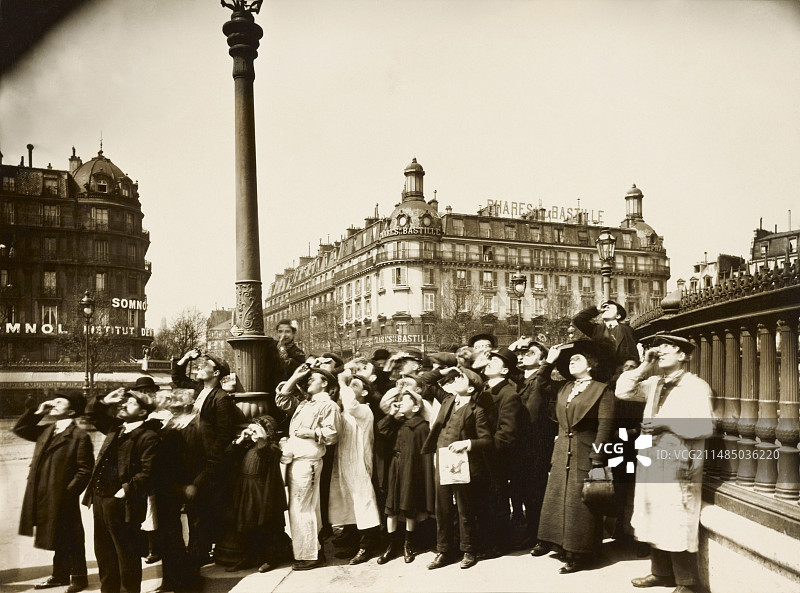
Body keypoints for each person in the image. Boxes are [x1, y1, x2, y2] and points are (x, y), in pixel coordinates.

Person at [616, 334, 714, 593]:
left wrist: (666, 423)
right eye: (658, 347)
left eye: (668, 347)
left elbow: (705, 426)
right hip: (653, 459)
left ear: (683, 356)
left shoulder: (695, 386)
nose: (661, 351)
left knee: (675, 518)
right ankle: (660, 573)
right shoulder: (654, 383)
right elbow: (622, 390)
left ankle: (687, 583)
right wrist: (644, 366)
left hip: (679, 463)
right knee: (652, 513)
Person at [536, 340, 616, 574]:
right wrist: (547, 362)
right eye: (570, 360)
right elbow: (541, 384)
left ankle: (580, 552)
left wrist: (598, 457)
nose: (571, 362)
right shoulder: (565, 388)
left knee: (581, 503)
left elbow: (605, 425)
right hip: (562, 451)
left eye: (577, 359)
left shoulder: (602, 389)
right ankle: (563, 545)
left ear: (591, 365)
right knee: (560, 499)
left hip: (586, 450)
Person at [171, 349, 244, 572]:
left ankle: (200, 553)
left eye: (205, 366)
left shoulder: (220, 399)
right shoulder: (199, 390)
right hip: (193, 458)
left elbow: (223, 435)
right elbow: (178, 379)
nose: (200, 368)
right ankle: (199, 550)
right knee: (196, 509)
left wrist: (210, 462)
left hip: (208, 462)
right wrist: (185, 359)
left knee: (203, 510)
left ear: (216, 373)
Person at [14, 393, 93, 593]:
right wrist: (37, 412)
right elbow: (21, 428)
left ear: (72, 411)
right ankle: (60, 575)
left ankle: (79, 577)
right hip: (43, 492)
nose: (54, 403)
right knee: (56, 533)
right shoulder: (48, 429)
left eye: (60, 401)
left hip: (63, 495)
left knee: (72, 534)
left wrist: (68, 493)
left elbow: (85, 470)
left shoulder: (79, 435)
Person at [84, 390, 160, 593]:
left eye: (131, 403)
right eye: (125, 401)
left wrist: (125, 491)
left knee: (126, 555)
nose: (124, 404)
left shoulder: (148, 436)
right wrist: (104, 400)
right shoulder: (117, 428)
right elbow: (92, 415)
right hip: (100, 500)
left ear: (143, 412)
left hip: (124, 503)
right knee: (104, 553)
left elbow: (148, 472)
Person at [422, 367, 493, 570]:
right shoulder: (447, 400)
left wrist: (468, 443)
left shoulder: (476, 411)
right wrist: (445, 369)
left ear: (471, 389)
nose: (455, 379)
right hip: (442, 459)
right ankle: (444, 550)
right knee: (442, 507)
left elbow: (487, 440)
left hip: (464, 464)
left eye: (461, 378)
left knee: (465, 507)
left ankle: (468, 550)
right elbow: (427, 380)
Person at [276, 365, 342, 570]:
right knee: (305, 508)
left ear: (325, 383)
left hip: (308, 463)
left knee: (302, 509)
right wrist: (296, 376)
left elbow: (333, 434)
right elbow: (282, 400)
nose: (309, 381)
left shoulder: (328, 405)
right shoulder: (306, 403)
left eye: (313, 378)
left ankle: (308, 554)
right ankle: (312, 550)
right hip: (299, 461)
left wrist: (312, 433)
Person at [375, 386, 435, 565]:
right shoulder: (397, 422)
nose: (399, 403)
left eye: (405, 400)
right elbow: (382, 430)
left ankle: (408, 543)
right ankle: (391, 545)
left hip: (412, 470)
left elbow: (424, 456)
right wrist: (392, 415)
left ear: (416, 407)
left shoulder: (421, 427)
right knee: (391, 507)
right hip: (396, 467)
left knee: (409, 507)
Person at [327, 368, 381, 565]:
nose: (349, 387)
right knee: (347, 501)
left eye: (355, 385)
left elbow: (351, 405)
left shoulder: (364, 410)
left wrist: (342, 382)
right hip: (343, 460)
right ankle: (353, 541)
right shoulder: (345, 410)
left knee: (362, 501)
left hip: (359, 462)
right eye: (349, 385)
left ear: (365, 392)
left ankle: (367, 545)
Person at [478, 347, 527, 558]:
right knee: (485, 500)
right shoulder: (484, 390)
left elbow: (506, 433)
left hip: (495, 459)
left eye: (495, 361)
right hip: (480, 455)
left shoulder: (509, 395)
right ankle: (486, 541)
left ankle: (497, 544)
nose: (488, 362)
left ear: (505, 371)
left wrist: (486, 451)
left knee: (496, 500)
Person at [511, 339, 560, 551]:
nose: (524, 356)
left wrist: (547, 364)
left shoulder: (545, 380)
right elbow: (506, 364)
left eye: (530, 352)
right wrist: (513, 348)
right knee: (522, 489)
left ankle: (542, 536)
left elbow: (536, 400)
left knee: (536, 491)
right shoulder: (521, 379)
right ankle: (531, 531)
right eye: (522, 353)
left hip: (537, 443)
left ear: (543, 359)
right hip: (521, 444)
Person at [225, 415, 288, 573]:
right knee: (246, 525)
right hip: (246, 489)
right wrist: (240, 440)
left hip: (262, 492)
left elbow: (266, 454)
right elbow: (228, 455)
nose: (251, 433)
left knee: (266, 525)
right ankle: (249, 556)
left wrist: (261, 438)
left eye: (255, 430)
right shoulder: (249, 447)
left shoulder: (271, 448)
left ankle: (270, 558)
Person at [573, 301, 639, 371]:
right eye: (604, 308)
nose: (605, 309)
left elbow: (632, 351)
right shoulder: (596, 329)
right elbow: (578, 320)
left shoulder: (627, 330)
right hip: (602, 373)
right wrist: (596, 310)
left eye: (609, 308)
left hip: (622, 372)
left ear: (618, 316)